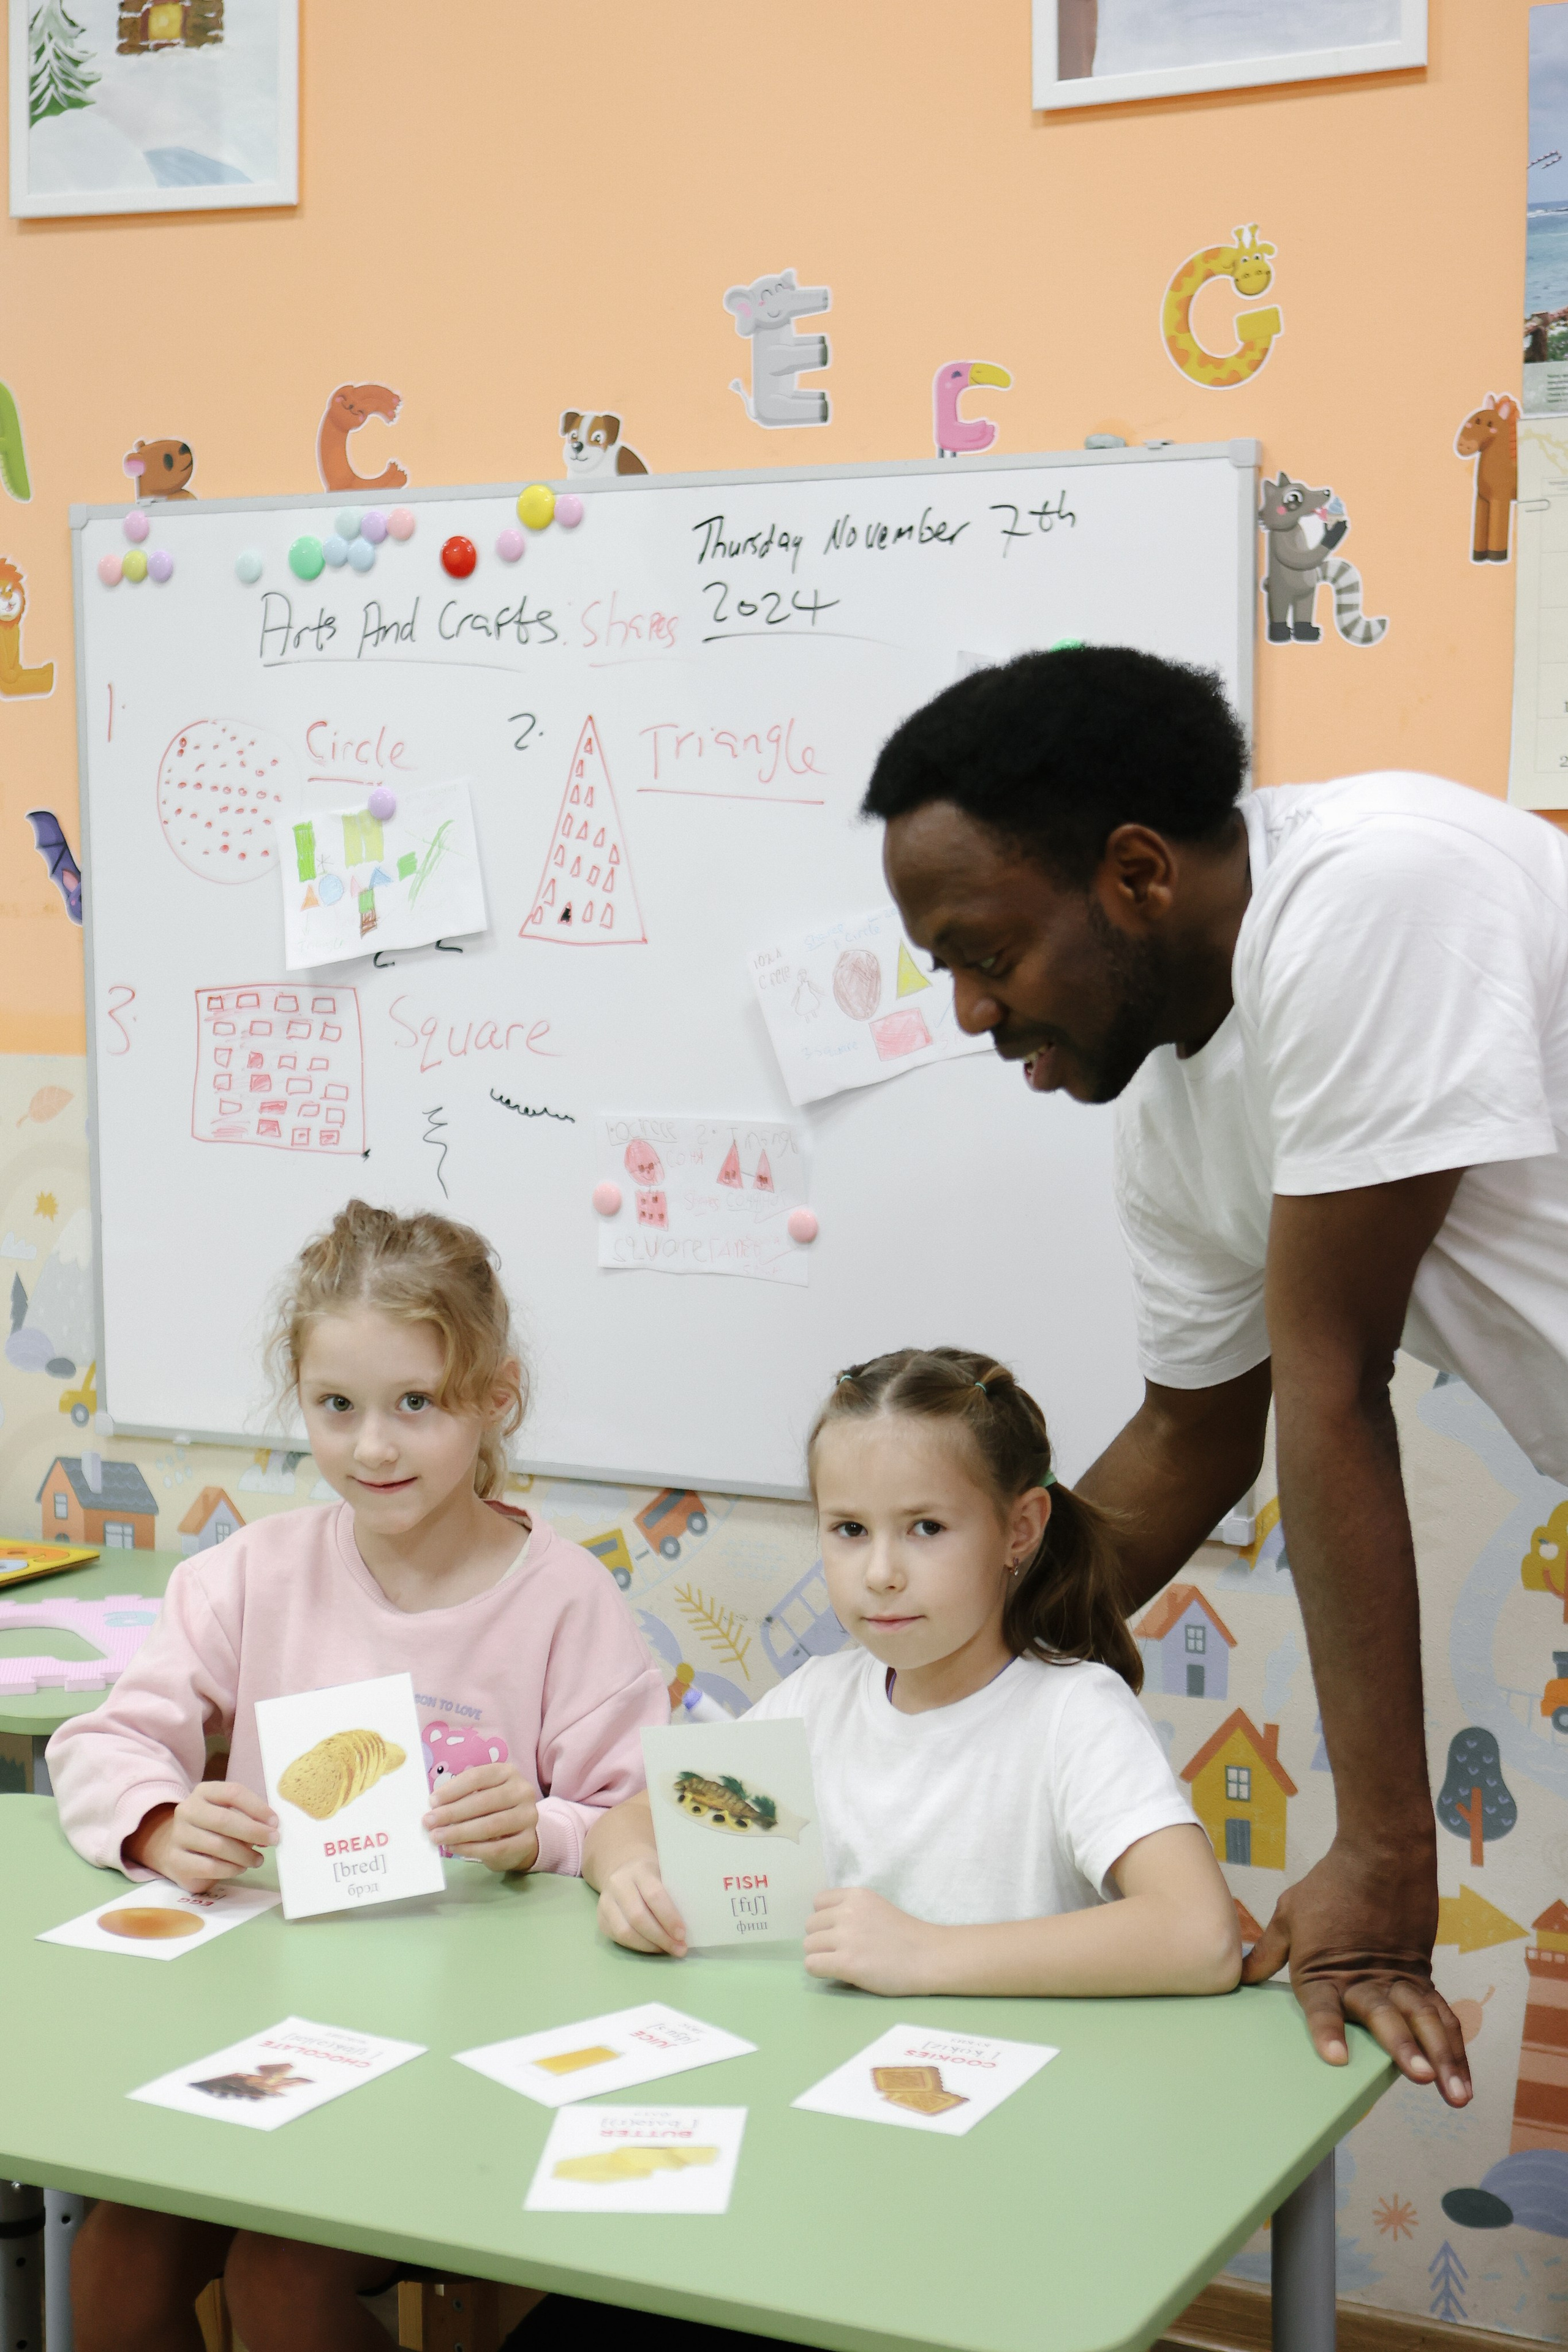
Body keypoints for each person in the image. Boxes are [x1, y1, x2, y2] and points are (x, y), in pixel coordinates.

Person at [859, 644, 1568, 2109]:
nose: (969, 1015)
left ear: (1132, 876)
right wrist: (927, 1661)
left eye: (983, 953)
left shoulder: (1370, 894)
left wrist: (1378, 1849)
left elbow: (1326, 1382)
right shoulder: (1175, 1106)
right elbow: (1191, 1435)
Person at [48, 1202, 668, 2352]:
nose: (373, 1447)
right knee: (121, 2259)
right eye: (338, 1407)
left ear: (496, 1399)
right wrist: (159, 1819)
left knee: (280, 2276)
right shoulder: (251, 1575)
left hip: (471, 2054)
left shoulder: (563, 1600)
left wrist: (544, 1830)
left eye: (416, 1405)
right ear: (302, 1397)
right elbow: (100, 1745)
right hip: (266, 2030)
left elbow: (646, 1819)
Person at [587, 1346, 1242, 1998]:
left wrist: (927, 1954)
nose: (879, 1574)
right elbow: (626, 1823)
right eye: (849, 1530)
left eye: (925, 1527)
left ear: (1020, 1529)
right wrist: (631, 1874)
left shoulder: (1077, 1715)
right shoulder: (818, 1698)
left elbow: (1199, 1937)